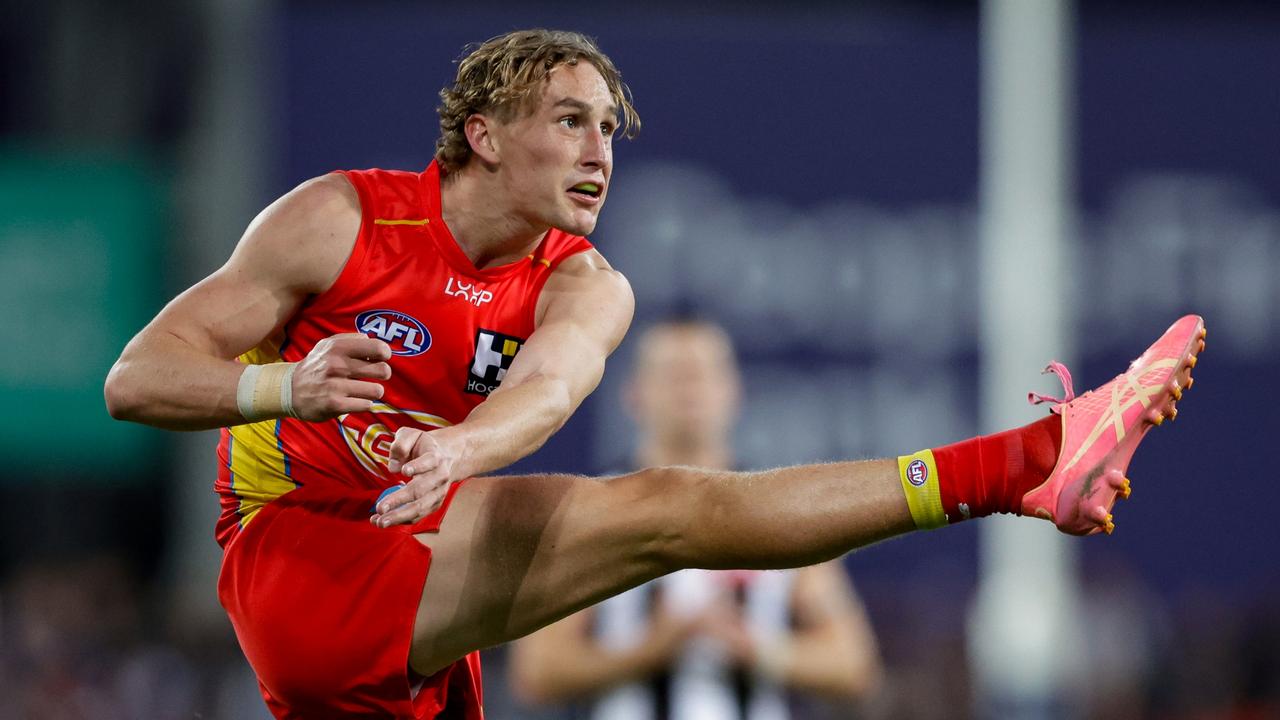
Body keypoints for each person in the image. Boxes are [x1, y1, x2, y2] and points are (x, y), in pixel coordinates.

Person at [104, 27, 1206, 720]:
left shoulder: (586, 283)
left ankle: (1029, 467)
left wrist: (460, 447)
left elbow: (548, 390)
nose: (600, 153)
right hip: (293, 554)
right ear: (483, 135)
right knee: (670, 511)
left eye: (610, 130)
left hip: (413, 562)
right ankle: (1026, 462)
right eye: (570, 123)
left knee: (674, 507)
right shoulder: (338, 218)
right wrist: (280, 389)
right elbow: (137, 377)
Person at [510, 320, 883, 719]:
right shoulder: (594, 511)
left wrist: (753, 647)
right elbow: (538, 670)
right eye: (673, 374)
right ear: (634, 394)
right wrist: (655, 647)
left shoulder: (776, 506)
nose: (690, 388)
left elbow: (853, 663)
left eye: (704, 373)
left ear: (734, 391)